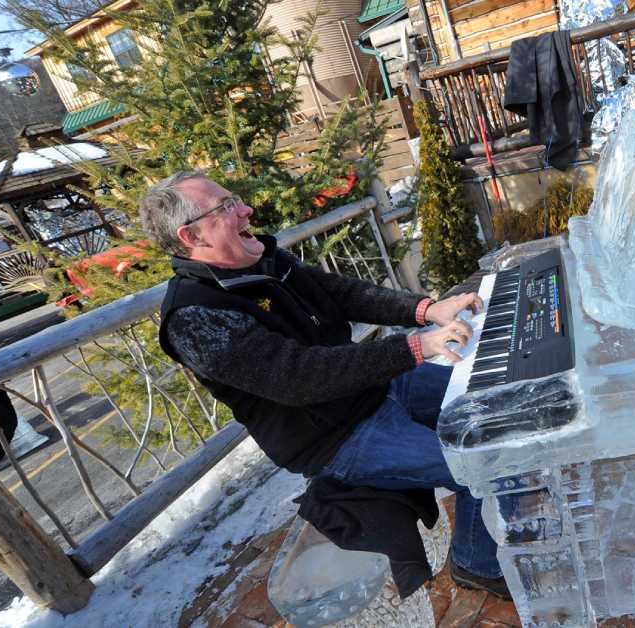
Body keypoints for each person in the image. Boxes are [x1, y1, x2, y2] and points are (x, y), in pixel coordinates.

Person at [140, 171, 507, 597]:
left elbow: (341, 292)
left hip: (374, 388)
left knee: (492, 396)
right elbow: (300, 377)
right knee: (487, 463)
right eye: (225, 208)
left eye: (234, 199)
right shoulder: (194, 317)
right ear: (192, 236)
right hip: (335, 437)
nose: (245, 210)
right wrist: (417, 347)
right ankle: (475, 562)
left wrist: (427, 309)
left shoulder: (260, 258)